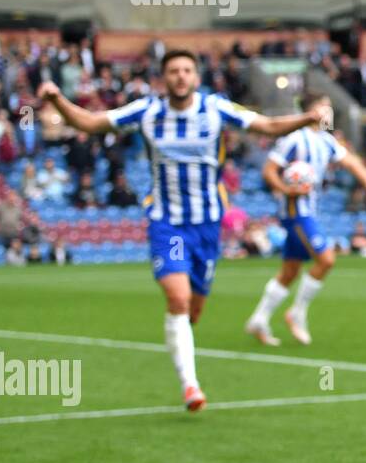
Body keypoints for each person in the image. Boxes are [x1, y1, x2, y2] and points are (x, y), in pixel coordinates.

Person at [37, 50, 330, 412]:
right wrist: (56, 99)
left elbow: (266, 127)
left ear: (196, 76)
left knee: (193, 311)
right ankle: (191, 386)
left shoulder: (216, 108)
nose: (180, 76)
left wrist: (306, 118)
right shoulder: (146, 111)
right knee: (177, 298)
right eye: (173, 71)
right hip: (168, 224)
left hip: (207, 227)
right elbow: (91, 123)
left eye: (187, 70)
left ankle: (181, 340)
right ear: (164, 78)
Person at [244, 94, 366, 347]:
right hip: (295, 212)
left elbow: (352, 163)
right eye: (325, 107)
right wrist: (285, 188)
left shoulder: (326, 141)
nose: (329, 112)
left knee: (289, 271)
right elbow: (268, 170)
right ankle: (297, 312)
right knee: (326, 259)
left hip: (309, 211)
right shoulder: (293, 138)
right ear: (310, 110)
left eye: (331, 108)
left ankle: (259, 319)